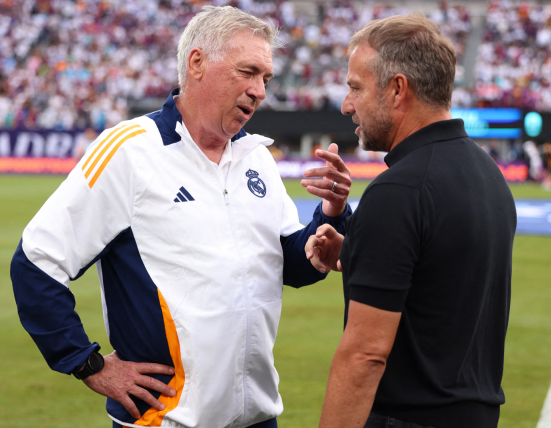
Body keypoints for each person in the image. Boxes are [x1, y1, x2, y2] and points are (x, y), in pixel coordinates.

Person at [10, 6, 352, 428]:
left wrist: (331, 214)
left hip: (258, 416)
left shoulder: (257, 157)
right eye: (248, 72)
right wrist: (88, 364)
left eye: (266, 78)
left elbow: (292, 264)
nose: (260, 91)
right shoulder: (129, 150)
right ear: (197, 63)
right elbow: (37, 262)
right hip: (167, 419)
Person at [305, 14, 517, 428]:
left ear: (398, 89)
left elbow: (365, 354)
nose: (348, 104)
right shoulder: (488, 174)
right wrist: (356, 254)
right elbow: (440, 279)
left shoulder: (399, 190)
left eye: (355, 87)